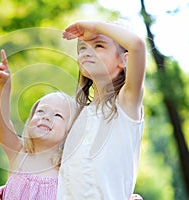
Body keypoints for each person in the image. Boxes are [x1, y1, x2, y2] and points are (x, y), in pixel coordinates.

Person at [57, 20, 146, 199]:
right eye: (82, 48)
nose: (87, 52)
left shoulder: (126, 103)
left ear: (124, 59)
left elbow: (137, 45)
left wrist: (95, 27)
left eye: (99, 45)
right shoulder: (78, 114)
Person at [0, 49, 77, 200]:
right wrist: (4, 85)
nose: (46, 117)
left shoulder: (70, 171)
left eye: (57, 115)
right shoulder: (18, 153)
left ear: (70, 132)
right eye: (40, 112)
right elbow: (2, 121)